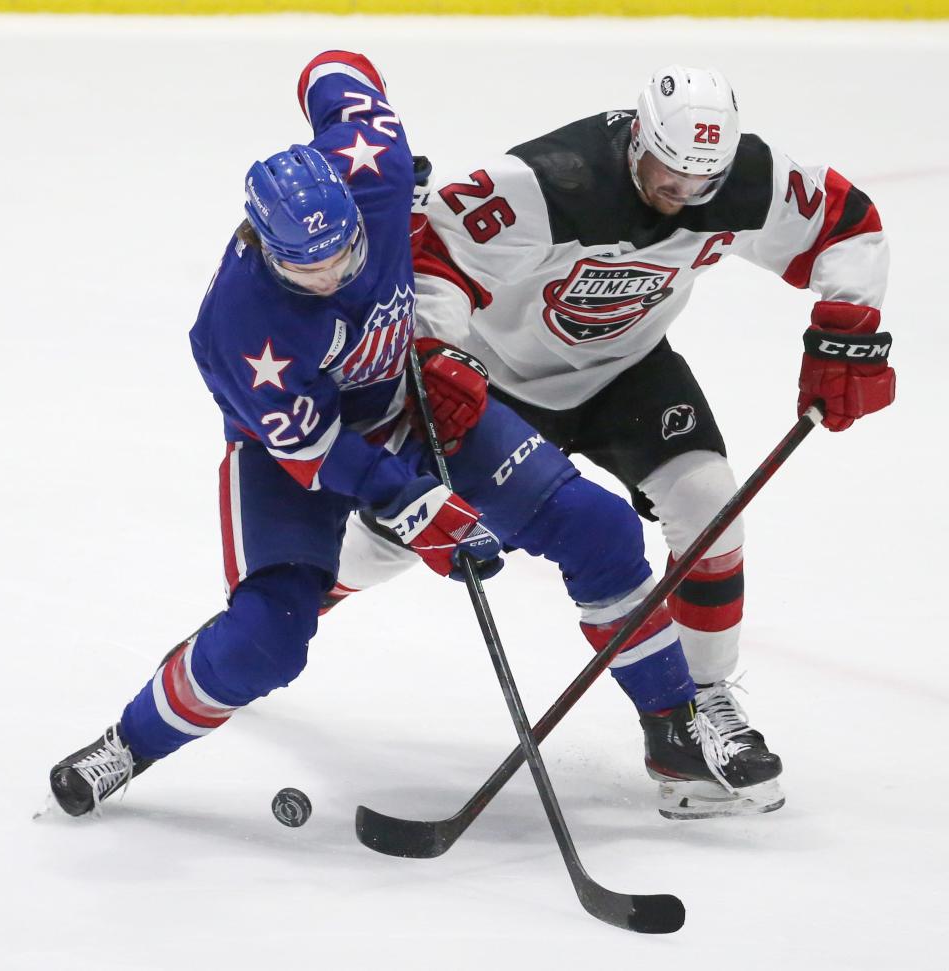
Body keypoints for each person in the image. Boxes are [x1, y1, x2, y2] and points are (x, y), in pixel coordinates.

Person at [48, 52, 782, 824]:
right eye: (310, 267)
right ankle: (127, 745)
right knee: (269, 637)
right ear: (266, 249)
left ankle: (673, 731)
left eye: (348, 252)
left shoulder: (375, 165)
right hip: (295, 454)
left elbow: (334, 67)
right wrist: (421, 509)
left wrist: (437, 346)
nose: (335, 273)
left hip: (407, 395)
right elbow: (321, 452)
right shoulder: (238, 329)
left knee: (597, 529)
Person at [325, 64, 897, 811]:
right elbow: (433, 255)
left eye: (703, 182)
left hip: (627, 373)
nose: (682, 195)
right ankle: (296, 595)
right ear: (637, 139)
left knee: (711, 507)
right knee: (399, 537)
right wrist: (437, 354)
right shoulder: (549, 181)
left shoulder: (746, 180)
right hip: (497, 385)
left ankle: (700, 712)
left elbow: (846, 223)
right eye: (668, 173)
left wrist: (845, 327)